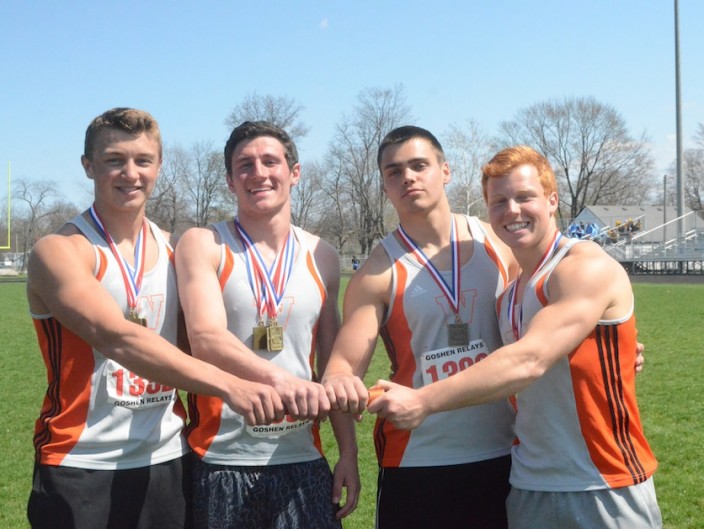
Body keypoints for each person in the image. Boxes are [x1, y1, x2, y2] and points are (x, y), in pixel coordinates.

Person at [370, 145, 662, 528]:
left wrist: (422, 400)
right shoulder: (508, 294)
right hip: (526, 484)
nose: (512, 211)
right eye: (499, 201)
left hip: (603, 481)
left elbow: (528, 360)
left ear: (552, 200)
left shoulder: (584, 265)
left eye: (525, 197)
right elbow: (496, 364)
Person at [25, 108, 286, 529]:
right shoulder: (57, 251)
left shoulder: (177, 250)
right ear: (88, 166)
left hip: (167, 460)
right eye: (114, 159)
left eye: (143, 160)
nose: (130, 173)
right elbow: (115, 337)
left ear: (159, 167)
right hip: (80, 460)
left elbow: (206, 338)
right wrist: (233, 386)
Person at [322, 126, 519, 529]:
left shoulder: (497, 241)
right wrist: (345, 442)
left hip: (508, 451)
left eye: (419, 165)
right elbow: (341, 367)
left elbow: (545, 317)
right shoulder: (378, 269)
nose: (407, 177)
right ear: (384, 187)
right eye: (394, 172)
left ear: (445, 171)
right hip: (418, 459)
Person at [175, 121, 359, 529]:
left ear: (294, 173)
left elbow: (332, 365)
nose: (258, 173)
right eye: (244, 165)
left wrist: (348, 451)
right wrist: (287, 384)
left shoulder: (322, 255)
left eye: (270, 161)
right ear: (229, 180)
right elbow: (205, 339)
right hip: (222, 458)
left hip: (302, 457)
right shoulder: (204, 243)